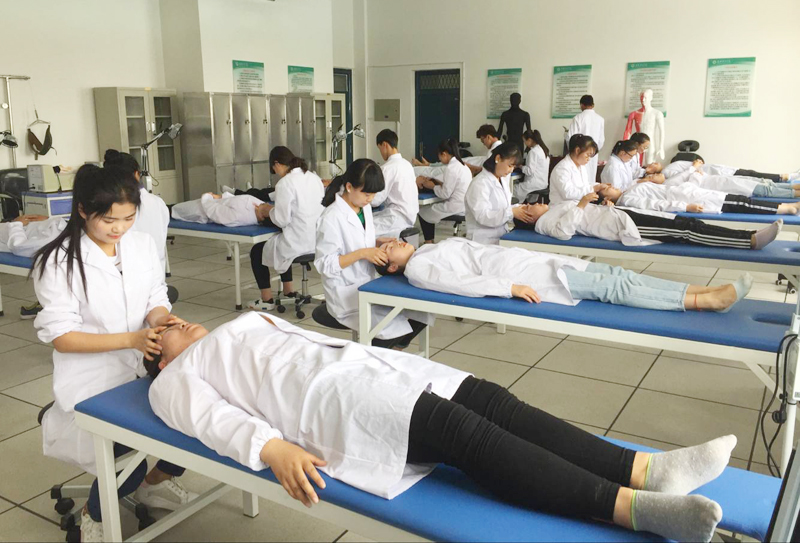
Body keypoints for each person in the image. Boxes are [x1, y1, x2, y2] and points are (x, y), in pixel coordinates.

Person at [147, 312, 733, 543]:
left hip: (375, 370)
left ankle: (646, 469)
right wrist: (271, 447)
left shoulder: (238, 324)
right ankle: (633, 509)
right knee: (468, 436)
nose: (177, 321)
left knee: (499, 404)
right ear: (158, 357)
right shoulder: (175, 379)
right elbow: (212, 420)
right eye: (167, 329)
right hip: (338, 404)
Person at [31, 165, 195, 542]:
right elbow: (63, 337)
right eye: (109, 220)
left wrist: (164, 320)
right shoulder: (58, 261)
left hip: (141, 364)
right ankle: (95, 513)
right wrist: (132, 340)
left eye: (128, 217)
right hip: (92, 379)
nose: (120, 228)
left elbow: (155, 297)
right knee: (127, 459)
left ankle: (156, 483)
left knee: (192, 423)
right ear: (82, 210)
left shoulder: (141, 245)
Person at [377, 237, 749, 312]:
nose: (393, 241)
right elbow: (461, 283)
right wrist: (510, 288)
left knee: (618, 272)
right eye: (388, 247)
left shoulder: (428, 248)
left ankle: (704, 289)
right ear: (392, 266)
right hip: (527, 277)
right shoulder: (419, 269)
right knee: (613, 287)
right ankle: (702, 302)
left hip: (531, 262)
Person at [315, 158, 429, 348]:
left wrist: (375, 242)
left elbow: (355, 238)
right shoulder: (331, 218)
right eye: (367, 194)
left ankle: (392, 350)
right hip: (345, 294)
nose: (370, 199)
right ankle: (373, 356)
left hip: (367, 284)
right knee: (391, 328)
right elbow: (324, 264)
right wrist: (363, 253)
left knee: (421, 313)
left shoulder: (363, 207)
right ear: (349, 187)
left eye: (374, 194)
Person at [515, 193, 783, 251]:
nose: (534, 203)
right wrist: (583, 204)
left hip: (620, 214)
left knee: (684, 221)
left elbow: (582, 214)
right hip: (624, 227)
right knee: (686, 230)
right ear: (530, 217)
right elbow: (564, 232)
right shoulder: (544, 224)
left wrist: (599, 205)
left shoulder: (554, 208)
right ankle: (749, 241)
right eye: (529, 206)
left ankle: (748, 233)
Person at [248, 147, 325, 310]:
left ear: (277, 164)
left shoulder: (284, 183)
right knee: (280, 242)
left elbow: (282, 220)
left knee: (257, 251)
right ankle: (288, 291)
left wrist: (267, 210)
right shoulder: (313, 177)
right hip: (317, 241)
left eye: (274, 169)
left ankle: (266, 300)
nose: (276, 173)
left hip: (298, 242)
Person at [464, 142, 536, 245]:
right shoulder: (480, 183)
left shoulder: (501, 180)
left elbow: (503, 207)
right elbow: (482, 216)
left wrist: (519, 208)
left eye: (513, 167)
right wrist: (511, 212)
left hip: (499, 236)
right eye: (510, 165)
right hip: (482, 240)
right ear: (498, 158)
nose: (511, 170)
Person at [599, 181, 800, 216]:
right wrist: (685, 207)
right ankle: (787, 208)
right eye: (607, 189)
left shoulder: (629, 190)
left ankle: (785, 205)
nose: (611, 186)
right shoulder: (628, 200)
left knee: (739, 199)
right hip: (691, 200)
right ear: (606, 198)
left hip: (690, 193)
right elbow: (657, 204)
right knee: (741, 203)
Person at [416, 138, 472, 243]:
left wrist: (432, 186)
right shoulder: (463, 166)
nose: (440, 159)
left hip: (455, 206)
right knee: (429, 210)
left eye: (439, 156)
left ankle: (429, 241)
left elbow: (445, 194)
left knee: (423, 211)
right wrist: (437, 182)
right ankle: (429, 241)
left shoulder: (451, 168)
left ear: (444, 154)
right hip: (465, 205)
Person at [663, 159, 800, 199]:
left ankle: (793, 185)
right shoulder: (668, 182)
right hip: (718, 186)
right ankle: (794, 192)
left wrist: (695, 170)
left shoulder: (672, 171)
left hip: (720, 178)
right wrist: (694, 170)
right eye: (652, 176)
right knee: (763, 189)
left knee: (762, 182)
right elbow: (689, 184)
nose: (654, 164)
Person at [371, 129, 419, 238]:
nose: (380, 153)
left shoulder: (387, 168)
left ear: (385, 145)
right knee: (372, 218)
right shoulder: (407, 164)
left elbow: (376, 200)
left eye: (379, 149)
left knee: (362, 229)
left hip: (396, 218)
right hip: (410, 216)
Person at [549, 134, 607, 206]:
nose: (589, 159)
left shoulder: (581, 167)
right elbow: (568, 193)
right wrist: (593, 188)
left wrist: (599, 186)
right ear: (577, 150)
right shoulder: (562, 168)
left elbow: (585, 185)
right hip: (562, 207)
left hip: (578, 205)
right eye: (587, 155)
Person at [566, 95, 605, 184]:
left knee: (578, 179)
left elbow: (570, 138)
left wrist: (574, 152)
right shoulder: (600, 119)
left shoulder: (578, 118)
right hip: (593, 154)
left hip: (579, 154)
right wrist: (592, 152)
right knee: (590, 180)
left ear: (581, 105)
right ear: (593, 105)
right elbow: (601, 140)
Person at [601, 139, 668, 191]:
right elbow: (616, 190)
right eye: (631, 156)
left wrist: (645, 172)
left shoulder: (623, 161)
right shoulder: (613, 167)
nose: (631, 159)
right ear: (622, 153)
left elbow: (631, 176)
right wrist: (638, 182)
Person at [662, 159, 794, 184]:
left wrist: (697, 163)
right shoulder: (667, 173)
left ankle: (782, 177)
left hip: (719, 169)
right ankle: (782, 178)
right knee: (751, 177)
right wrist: (695, 166)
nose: (654, 164)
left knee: (750, 173)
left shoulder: (670, 166)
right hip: (716, 175)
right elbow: (684, 176)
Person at [171, 191, 265, 226]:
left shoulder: (239, 217)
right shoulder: (260, 204)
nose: (267, 204)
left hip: (201, 211)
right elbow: (237, 199)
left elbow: (213, 211)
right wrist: (220, 196)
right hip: (213, 201)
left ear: (261, 217)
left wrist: (207, 197)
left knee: (175, 210)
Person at [0, 214, 65, 258]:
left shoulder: (52, 239)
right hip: (17, 226)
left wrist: (16, 224)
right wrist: (49, 219)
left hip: (9, 233)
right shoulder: (63, 226)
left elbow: (18, 247)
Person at [515, 129, 551, 203]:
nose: (525, 143)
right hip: (543, 183)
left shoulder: (533, 152)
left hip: (535, 183)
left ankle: (516, 209)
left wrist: (520, 166)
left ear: (529, 140)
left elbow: (529, 171)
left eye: (524, 141)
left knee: (513, 189)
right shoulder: (543, 150)